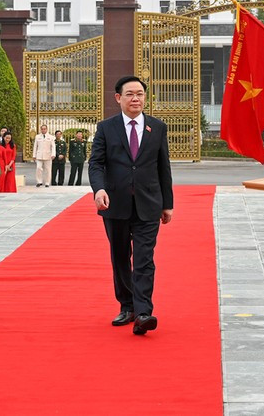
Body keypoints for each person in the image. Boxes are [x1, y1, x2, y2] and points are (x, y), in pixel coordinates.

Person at [89, 75, 174, 336]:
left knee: (144, 259)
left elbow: (163, 167)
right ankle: (127, 306)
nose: (135, 98)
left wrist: (167, 204)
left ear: (145, 98)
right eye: (129, 94)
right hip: (115, 204)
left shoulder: (157, 128)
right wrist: (99, 189)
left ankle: (144, 311)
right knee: (120, 256)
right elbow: (96, 163)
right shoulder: (107, 128)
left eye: (139, 94)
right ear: (118, 98)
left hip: (149, 203)